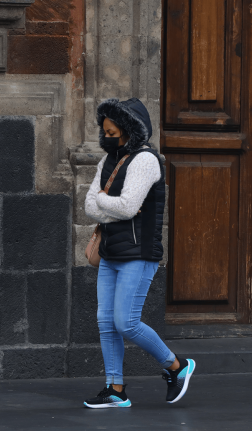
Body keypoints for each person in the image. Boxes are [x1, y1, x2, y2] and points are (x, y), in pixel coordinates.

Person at [83, 98, 196, 409]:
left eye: (113, 131)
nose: (107, 136)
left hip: (138, 254)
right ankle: (115, 388)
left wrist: (105, 201)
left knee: (126, 322)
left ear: (128, 130)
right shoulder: (106, 162)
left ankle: (176, 366)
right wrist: (109, 204)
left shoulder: (145, 161)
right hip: (109, 253)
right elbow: (89, 205)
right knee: (106, 322)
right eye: (104, 131)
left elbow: (129, 206)